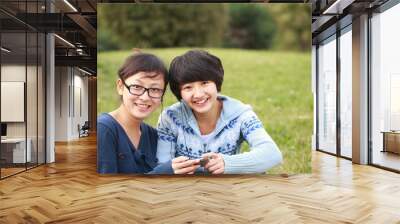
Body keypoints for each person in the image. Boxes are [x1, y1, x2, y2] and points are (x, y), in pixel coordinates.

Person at [156, 50, 283, 174]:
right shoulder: (169, 118)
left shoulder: (241, 114)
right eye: (188, 87)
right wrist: (171, 170)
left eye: (205, 83)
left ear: (216, 83)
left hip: (227, 190)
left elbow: (272, 154)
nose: (198, 94)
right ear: (180, 92)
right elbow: (162, 164)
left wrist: (228, 163)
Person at [97, 52, 168, 174]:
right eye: (136, 87)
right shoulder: (103, 129)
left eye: (155, 89)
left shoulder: (154, 136)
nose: (145, 97)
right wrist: (164, 172)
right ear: (120, 86)